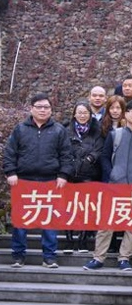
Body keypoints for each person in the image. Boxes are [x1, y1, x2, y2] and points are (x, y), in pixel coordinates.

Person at [4, 93, 72, 269]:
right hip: (23, 181)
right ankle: (18, 256)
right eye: (39, 107)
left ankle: (49, 257)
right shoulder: (20, 129)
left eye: (46, 107)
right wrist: (10, 172)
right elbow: (10, 153)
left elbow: (66, 155)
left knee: (49, 220)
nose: (43, 110)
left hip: (50, 181)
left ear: (51, 110)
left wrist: (63, 175)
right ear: (31, 109)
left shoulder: (59, 130)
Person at [83, 98, 132, 271]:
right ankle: (98, 257)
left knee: (131, 225)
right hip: (114, 184)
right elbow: (104, 157)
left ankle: (124, 258)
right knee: (107, 222)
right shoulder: (115, 134)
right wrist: (111, 173)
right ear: (126, 114)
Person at [64, 100, 104, 253]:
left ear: (90, 114)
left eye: (85, 113)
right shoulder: (66, 130)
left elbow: (98, 150)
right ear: (74, 114)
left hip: (89, 173)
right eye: (79, 112)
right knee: (69, 207)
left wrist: (89, 159)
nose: (82, 115)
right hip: (70, 174)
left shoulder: (97, 130)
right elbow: (62, 150)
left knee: (87, 207)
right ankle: (69, 240)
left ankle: (83, 240)